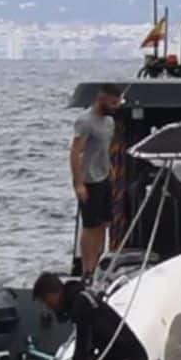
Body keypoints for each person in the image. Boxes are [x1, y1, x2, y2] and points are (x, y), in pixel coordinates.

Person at [71, 83, 122, 281]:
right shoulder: (85, 121)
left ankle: (96, 264)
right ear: (101, 98)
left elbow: (105, 149)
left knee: (103, 223)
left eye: (117, 103)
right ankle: (87, 268)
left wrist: (111, 171)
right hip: (89, 179)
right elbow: (76, 152)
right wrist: (79, 183)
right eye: (112, 102)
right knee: (90, 225)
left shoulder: (109, 122)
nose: (115, 106)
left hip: (104, 176)